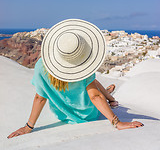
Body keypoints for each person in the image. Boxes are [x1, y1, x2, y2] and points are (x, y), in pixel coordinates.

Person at [7, 19, 143, 139]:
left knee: (91, 82)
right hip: (88, 115)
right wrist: (117, 123)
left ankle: (109, 96)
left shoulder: (41, 67)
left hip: (62, 115)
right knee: (92, 83)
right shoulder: (83, 66)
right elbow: (95, 97)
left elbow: (40, 98)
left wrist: (28, 127)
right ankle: (110, 98)